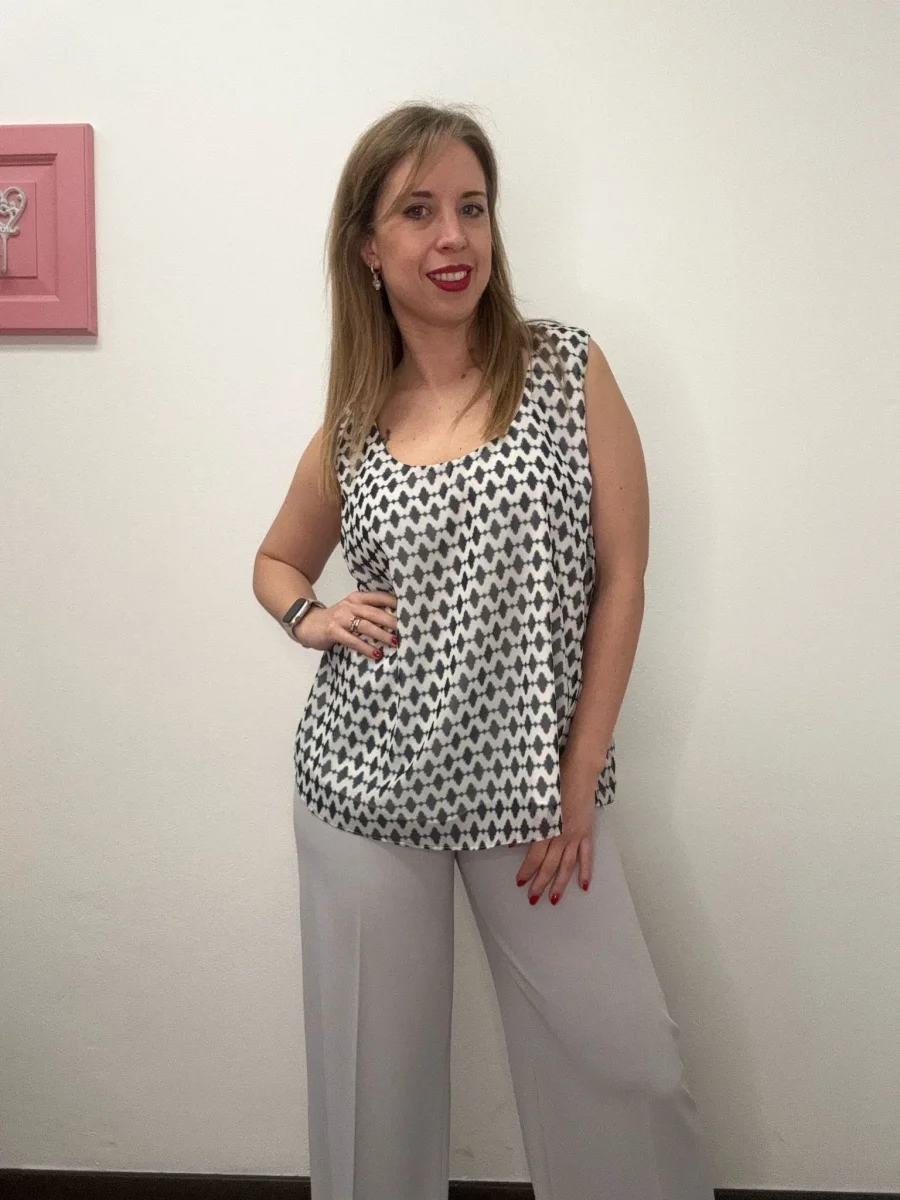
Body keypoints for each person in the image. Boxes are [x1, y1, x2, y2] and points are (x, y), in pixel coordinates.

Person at [253, 101, 716, 1200]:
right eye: (418, 211)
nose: (454, 236)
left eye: (472, 206)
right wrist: (311, 615)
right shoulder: (354, 424)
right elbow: (275, 560)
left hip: (535, 801)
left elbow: (623, 577)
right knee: (373, 1097)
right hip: (365, 794)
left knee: (627, 1070)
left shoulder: (564, 369)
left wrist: (577, 774)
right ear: (369, 247)